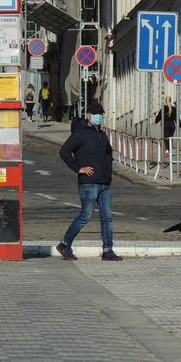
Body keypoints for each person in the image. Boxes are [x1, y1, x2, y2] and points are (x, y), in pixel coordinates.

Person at [56, 101, 123, 262]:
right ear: (88, 115)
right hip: (89, 183)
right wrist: (78, 168)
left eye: (100, 114)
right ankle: (65, 244)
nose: (98, 116)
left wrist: (108, 170)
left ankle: (108, 250)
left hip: (105, 182)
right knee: (85, 215)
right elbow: (64, 151)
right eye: (95, 113)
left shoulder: (102, 134)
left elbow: (108, 154)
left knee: (107, 217)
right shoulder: (80, 133)